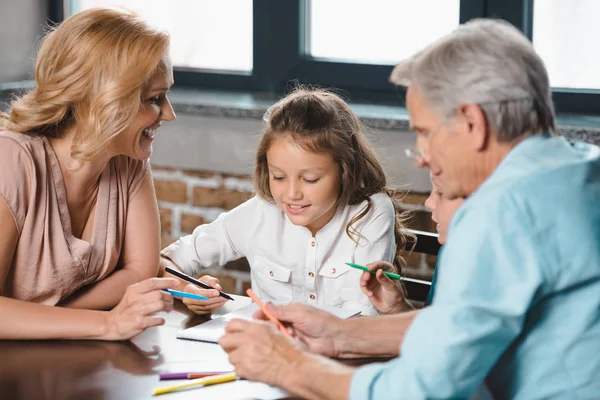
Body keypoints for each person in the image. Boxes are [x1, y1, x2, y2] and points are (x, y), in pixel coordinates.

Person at [219, 18, 600, 399]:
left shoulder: (501, 212)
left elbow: (423, 390)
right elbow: (462, 325)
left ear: (472, 123)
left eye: (425, 132)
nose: (420, 156)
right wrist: (340, 334)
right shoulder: (578, 171)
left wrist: (288, 365)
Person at [0, 8, 181, 340]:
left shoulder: (129, 161)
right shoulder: (10, 160)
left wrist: (57, 318)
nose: (168, 114)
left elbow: (141, 270)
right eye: (155, 99)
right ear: (105, 100)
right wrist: (107, 324)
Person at [160, 87, 413, 316]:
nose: (291, 194)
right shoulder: (261, 212)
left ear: (346, 170)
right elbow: (167, 261)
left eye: (311, 179)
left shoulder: (371, 212)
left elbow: (364, 315)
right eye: (278, 177)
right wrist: (190, 289)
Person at [362, 173, 464, 314]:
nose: (428, 203)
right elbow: (432, 329)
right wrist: (398, 307)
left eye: (441, 192)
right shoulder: (450, 249)